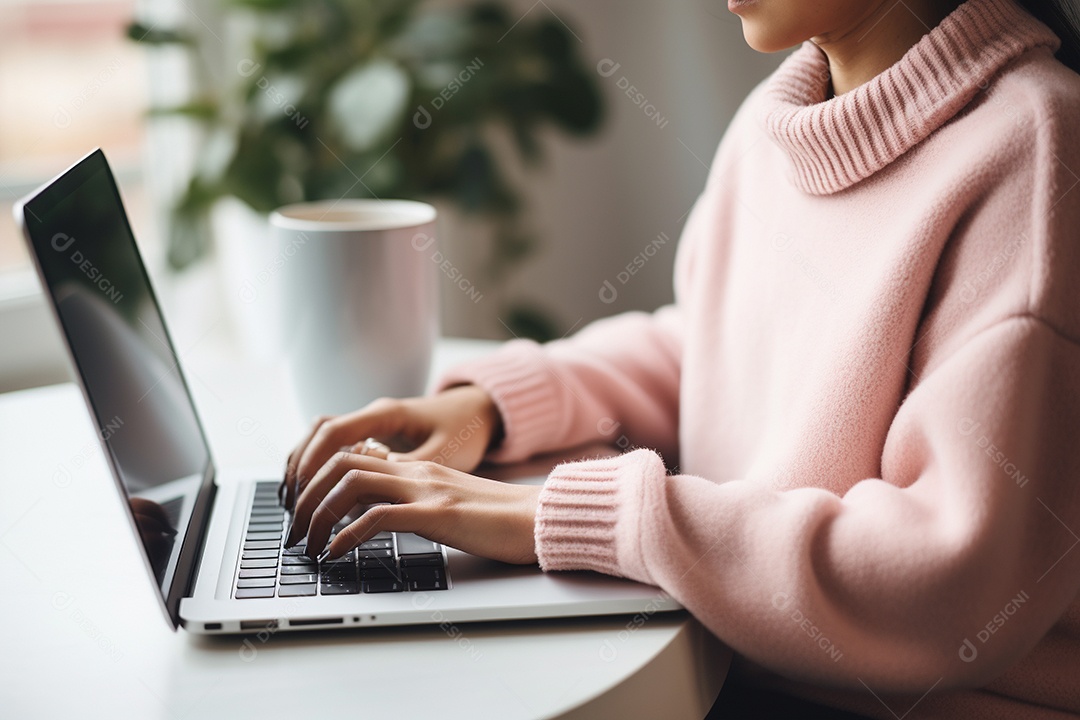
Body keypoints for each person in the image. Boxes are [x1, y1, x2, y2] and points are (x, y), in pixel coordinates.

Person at [279, 0, 1080, 716]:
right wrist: (495, 405)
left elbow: (946, 585)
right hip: (733, 661)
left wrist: (569, 516)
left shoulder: (1036, 151)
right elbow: (713, 349)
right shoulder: (778, 122)